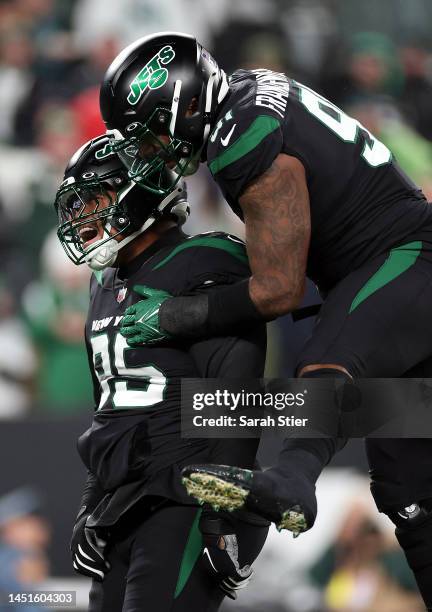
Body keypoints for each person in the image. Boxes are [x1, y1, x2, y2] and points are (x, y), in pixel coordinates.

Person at [98, 32, 432, 608]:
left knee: (328, 362)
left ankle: (294, 477)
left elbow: (278, 291)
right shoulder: (246, 90)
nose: (149, 149)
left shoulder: (240, 137)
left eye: (150, 130)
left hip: (406, 254)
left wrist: (180, 314)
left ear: (181, 105)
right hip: (387, 270)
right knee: (408, 488)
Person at [55, 134, 269, 611]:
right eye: (75, 205)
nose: (80, 217)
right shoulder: (104, 284)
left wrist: (222, 508)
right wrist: (92, 502)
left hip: (189, 490)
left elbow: (235, 393)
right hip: (128, 499)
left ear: (143, 190)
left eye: (94, 199)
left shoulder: (203, 258)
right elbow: (110, 411)